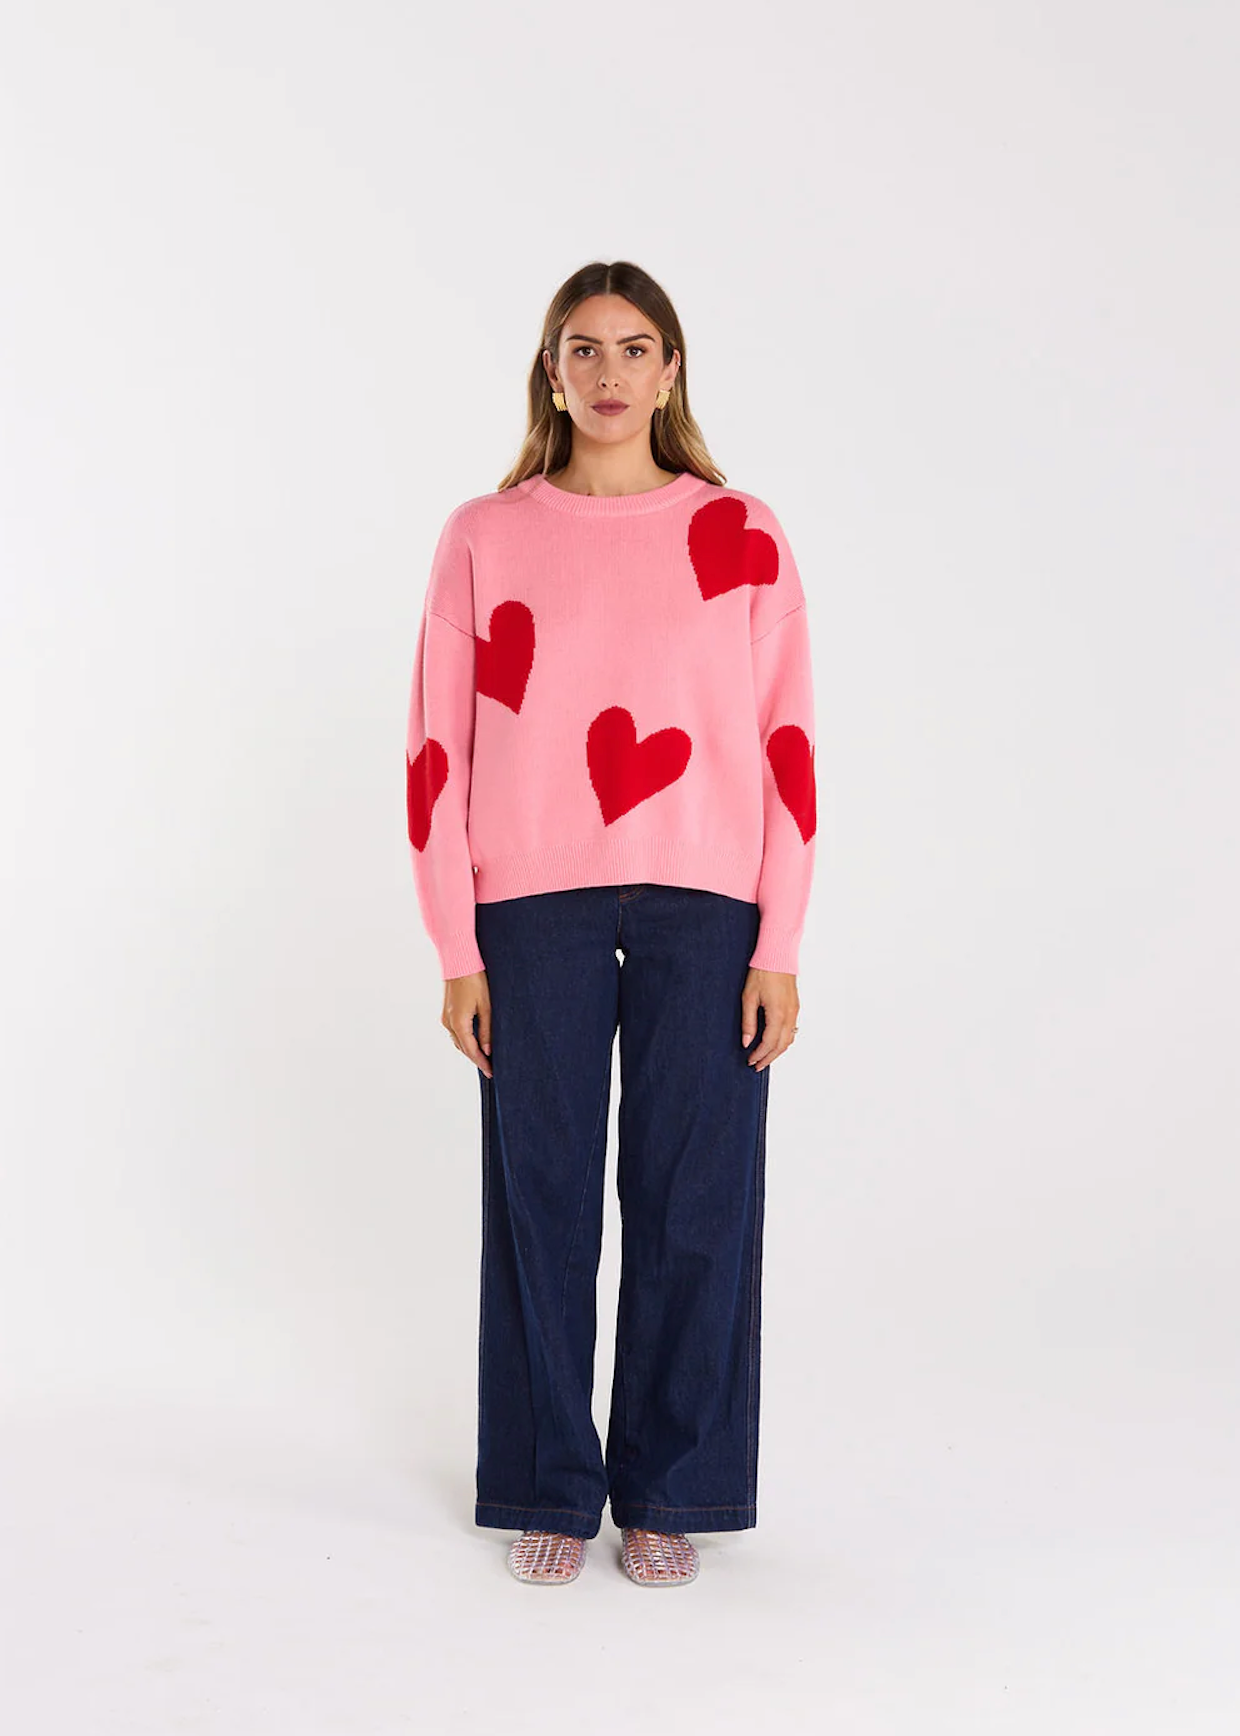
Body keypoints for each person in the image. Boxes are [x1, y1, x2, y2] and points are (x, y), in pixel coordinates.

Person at [405, 260, 817, 1587]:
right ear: (551, 371)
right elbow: (436, 748)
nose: (608, 373)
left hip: (709, 902)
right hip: (532, 907)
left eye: (635, 348)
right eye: (583, 349)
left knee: (697, 1199)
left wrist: (779, 943)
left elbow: (790, 747)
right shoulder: (486, 533)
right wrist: (456, 946)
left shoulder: (741, 531)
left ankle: (671, 1488)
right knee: (543, 1198)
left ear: (671, 370)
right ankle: (546, 1481)